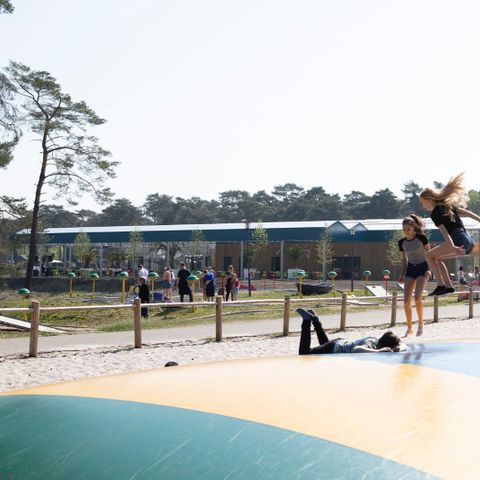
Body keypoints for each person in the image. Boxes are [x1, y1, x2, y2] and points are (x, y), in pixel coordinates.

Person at [420, 173, 480, 296]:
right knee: (437, 258)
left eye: (423, 202)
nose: (422, 205)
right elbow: (467, 212)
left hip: (458, 241)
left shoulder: (435, 212)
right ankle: (448, 287)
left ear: (429, 199)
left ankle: (441, 285)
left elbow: (445, 232)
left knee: (428, 256)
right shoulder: (448, 206)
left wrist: (452, 246)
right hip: (468, 242)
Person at [296, 308, 405, 355]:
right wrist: (378, 351)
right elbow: (356, 349)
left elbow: (402, 343)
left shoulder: (378, 339)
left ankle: (315, 321)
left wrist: (399, 348)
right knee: (304, 353)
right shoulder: (371, 345)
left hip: (338, 343)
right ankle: (307, 321)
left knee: (324, 344)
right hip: (334, 347)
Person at [398, 215, 431, 337]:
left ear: (413, 228)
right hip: (410, 269)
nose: (406, 231)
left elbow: (429, 254)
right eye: (404, 229)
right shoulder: (401, 242)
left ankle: (421, 324)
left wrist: (429, 269)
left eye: (408, 229)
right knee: (406, 302)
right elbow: (404, 260)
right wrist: (402, 274)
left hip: (423, 268)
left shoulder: (421, 238)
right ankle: (409, 327)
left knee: (417, 298)